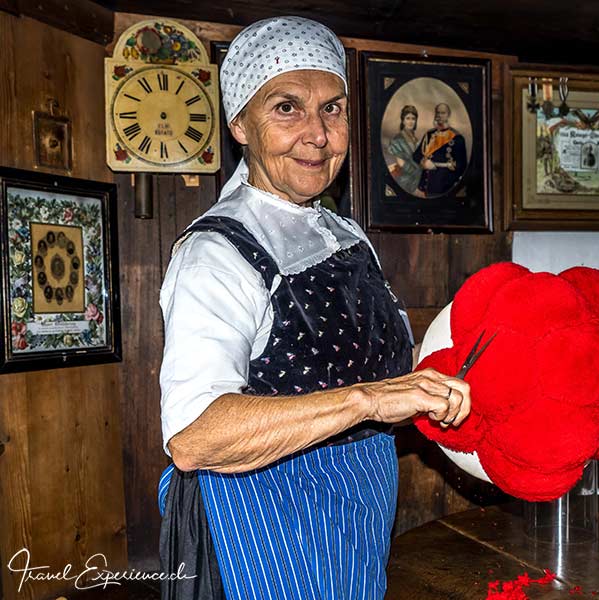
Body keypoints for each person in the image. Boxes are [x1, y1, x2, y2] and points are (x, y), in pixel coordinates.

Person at [156, 16, 471, 600]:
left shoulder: (347, 235)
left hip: (359, 511)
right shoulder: (217, 252)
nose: (318, 134)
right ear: (240, 126)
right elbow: (194, 437)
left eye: (333, 109)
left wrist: (423, 393)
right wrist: (369, 400)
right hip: (268, 520)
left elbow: (367, 383)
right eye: (286, 108)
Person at [412, 103, 467, 197]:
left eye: (443, 113)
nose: (440, 115)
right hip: (425, 185)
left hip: (443, 187)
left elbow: (461, 165)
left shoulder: (457, 138)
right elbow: (416, 155)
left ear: (448, 115)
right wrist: (423, 162)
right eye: (438, 113)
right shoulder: (429, 134)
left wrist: (438, 166)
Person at [387, 104, 422, 194]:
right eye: (408, 118)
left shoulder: (417, 140)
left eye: (413, 118)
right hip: (404, 180)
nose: (411, 121)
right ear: (403, 120)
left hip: (417, 179)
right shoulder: (397, 140)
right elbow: (401, 163)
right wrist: (418, 171)